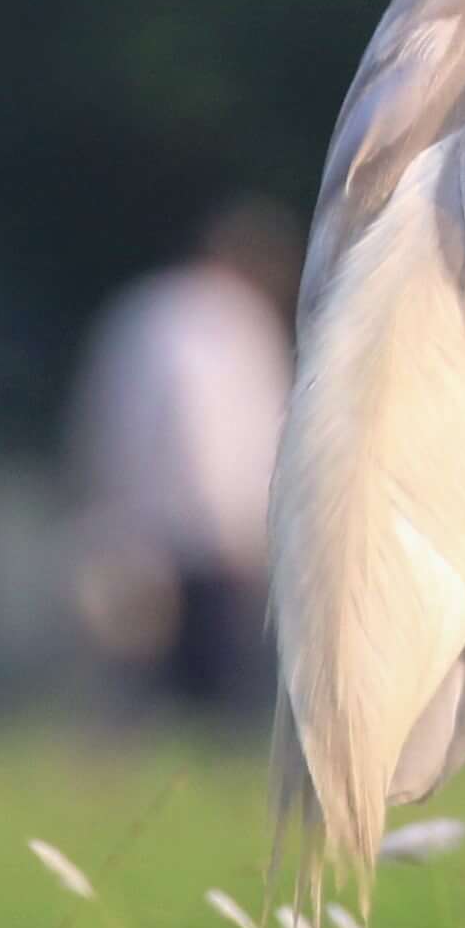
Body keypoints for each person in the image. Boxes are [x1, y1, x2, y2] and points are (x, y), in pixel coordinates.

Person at [56, 202, 295, 715]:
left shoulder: (139, 311)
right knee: (214, 686)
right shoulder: (231, 322)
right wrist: (236, 526)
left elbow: (99, 417)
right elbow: (204, 432)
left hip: (133, 519)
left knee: (140, 678)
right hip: (209, 535)